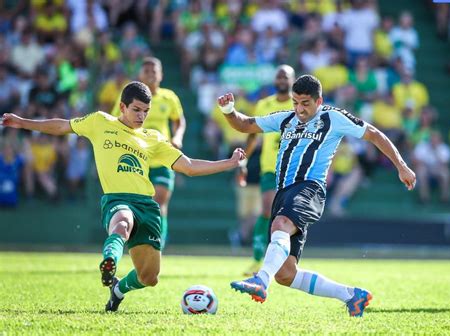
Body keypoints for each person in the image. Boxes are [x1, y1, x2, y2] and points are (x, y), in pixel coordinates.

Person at [1, 81, 246, 312]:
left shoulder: (153, 138)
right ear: (122, 106)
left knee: (149, 277)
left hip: (147, 206)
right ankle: (109, 261)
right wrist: (23, 123)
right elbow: (61, 126)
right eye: (136, 109)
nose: (141, 116)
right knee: (123, 223)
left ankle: (118, 289)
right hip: (117, 198)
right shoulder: (100, 122)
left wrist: (230, 162)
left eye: (146, 111)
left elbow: (190, 166)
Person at [218, 75, 416, 317]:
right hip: (284, 192)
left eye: (305, 103)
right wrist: (228, 110)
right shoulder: (285, 119)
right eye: (295, 103)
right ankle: (352, 295)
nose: (299, 109)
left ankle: (260, 280)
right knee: (285, 274)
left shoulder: (332, 117)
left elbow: (374, 133)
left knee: (280, 224)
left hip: (309, 188)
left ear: (319, 100)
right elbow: (245, 124)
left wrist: (401, 166)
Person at [111, 57, 186, 249]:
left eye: (154, 71)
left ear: (161, 74)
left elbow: (179, 120)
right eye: (147, 71)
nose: (151, 74)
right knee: (136, 204)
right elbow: (115, 121)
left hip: (162, 158)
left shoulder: (169, 97)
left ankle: (157, 246)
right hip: (136, 159)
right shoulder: (128, 97)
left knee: (159, 204)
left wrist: (177, 137)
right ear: (139, 75)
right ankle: (137, 243)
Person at [240, 64, 295, 276]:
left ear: (292, 80)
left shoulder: (298, 104)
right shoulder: (264, 104)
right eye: (279, 77)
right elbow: (253, 133)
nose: (281, 80)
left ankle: (283, 259)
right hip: (270, 168)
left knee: (289, 216)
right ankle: (256, 258)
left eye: (286, 77)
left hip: (293, 169)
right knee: (266, 210)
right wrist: (244, 160)